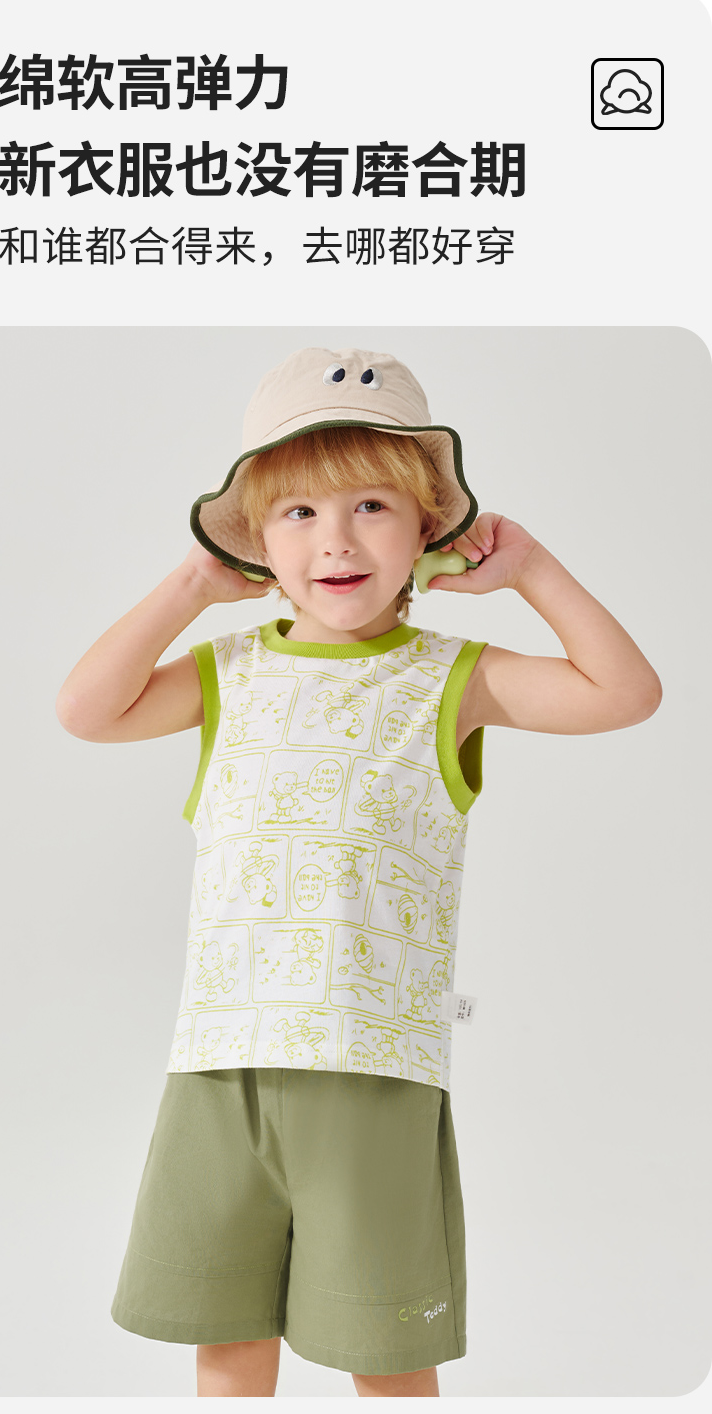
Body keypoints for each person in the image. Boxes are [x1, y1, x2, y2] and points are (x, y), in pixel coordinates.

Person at [56, 347, 662, 1398]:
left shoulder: (453, 679)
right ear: (258, 541)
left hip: (373, 1070)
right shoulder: (225, 674)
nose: (334, 539)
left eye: (371, 505)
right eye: (297, 513)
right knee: (226, 1344)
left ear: (427, 529)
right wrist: (193, 584)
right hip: (220, 1064)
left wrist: (531, 568)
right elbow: (84, 710)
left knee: (385, 1356)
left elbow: (625, 692)